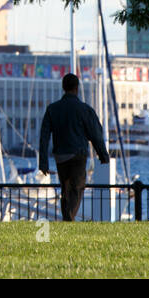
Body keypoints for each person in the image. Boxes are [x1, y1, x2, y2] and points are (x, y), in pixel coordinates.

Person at [38, 73, 110, 221]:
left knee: (65, 190)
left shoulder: (52, 109)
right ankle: (69, 219)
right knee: (76, 188)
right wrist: (103, 155)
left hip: (60, 156)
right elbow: (95, 134)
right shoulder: (84, 110)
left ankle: (67, 219)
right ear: (77, 88)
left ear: (63, 87)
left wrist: (43, 162)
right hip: (78, 154)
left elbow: (44, 137)